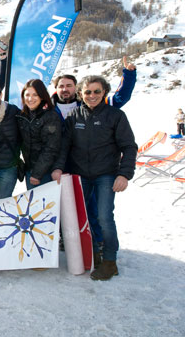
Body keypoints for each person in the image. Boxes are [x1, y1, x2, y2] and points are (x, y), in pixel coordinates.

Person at [52, 75, 137, 281]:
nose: (92, 96)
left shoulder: (115, 116)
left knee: (104, 217)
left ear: (104, 92)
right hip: (81, 175)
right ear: (81, 93)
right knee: (86, 219)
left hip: (105, 175)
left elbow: (129, 146)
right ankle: (94, 256)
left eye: (96, 91)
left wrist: (124, 174)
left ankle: (110, 261)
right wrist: (58, 168)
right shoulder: (74, 116)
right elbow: (65, 146)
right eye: (88, 92)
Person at [51, 56, 137, 120]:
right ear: (56, 88)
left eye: (69, 86)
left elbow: (121, 98)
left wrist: (129, 75)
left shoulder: (91, 103)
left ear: (76, 88)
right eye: (61, 86)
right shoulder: (48, 108)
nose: (65, 89)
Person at [16, 79, 62, 190]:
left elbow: (51, 147)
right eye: (27, 95)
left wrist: (37, 173)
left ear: (42, 96)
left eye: (35, 95)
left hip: (44, 172)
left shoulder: (50, 116)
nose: (30, 99)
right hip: (30, 170)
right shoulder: (23, 116)